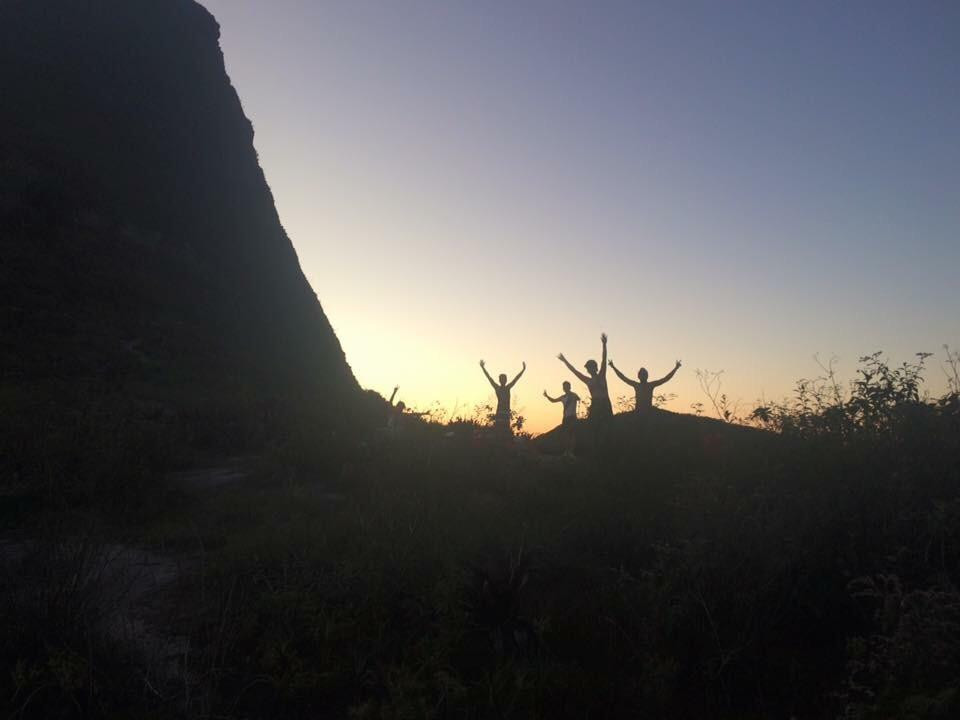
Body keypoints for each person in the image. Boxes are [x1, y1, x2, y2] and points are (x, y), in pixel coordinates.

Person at [557, 333, 612, 423]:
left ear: (594, 368)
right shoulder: (588, 380)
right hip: (595, 404)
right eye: (588, 368)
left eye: (590, 367)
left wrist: (604, 345)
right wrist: (565, 361)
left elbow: (604, 359)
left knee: (607, 426)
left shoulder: (602, 375)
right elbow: (574, 371)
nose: (589, 370)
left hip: (605, 403)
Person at [609, 359, 682, 413]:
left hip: (648, 410)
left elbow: (665, 379)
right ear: (639, 376)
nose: (643, 376)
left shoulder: (650, 385)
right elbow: (623, 377)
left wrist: (676, 368)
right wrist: (613, 367)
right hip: (639, 411)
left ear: (647, 376)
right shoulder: (637, 385)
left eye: (644, 374)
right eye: (642, 374)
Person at [480, 359, 526, 435]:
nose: (504, 380)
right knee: (499, 431)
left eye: (504, 379)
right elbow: (489, 377)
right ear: (500, 380)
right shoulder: (499, 388)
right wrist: (483, 368)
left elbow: (516, 378)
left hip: (505, 414)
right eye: (502, 379)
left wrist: (523, 370)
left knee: (504, 432)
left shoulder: (507, 388)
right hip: (501, 413)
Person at [544, 381, 580, 456]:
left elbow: (578, 399)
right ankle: (566, 451)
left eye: (566, 386)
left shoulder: (573, 395)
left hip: (572, 417)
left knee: (572, 435)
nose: (565, 388)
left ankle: (571, 452)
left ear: (569, 387)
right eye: (564, 387)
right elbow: (553, 400)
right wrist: (547, 396)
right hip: (566, 418)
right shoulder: (563, 397)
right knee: (566, 435)